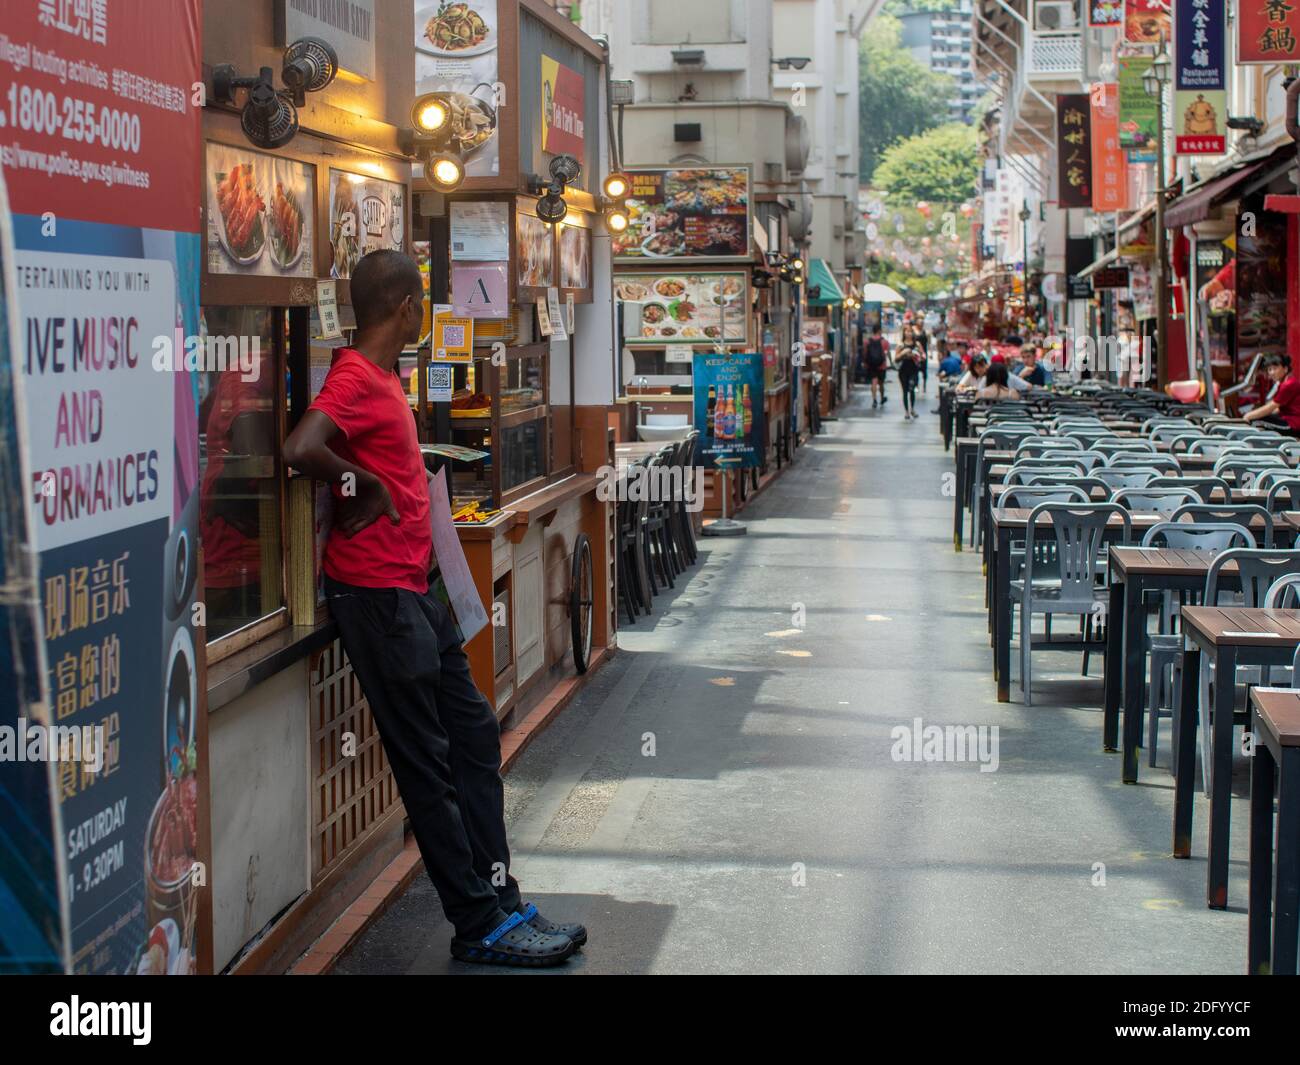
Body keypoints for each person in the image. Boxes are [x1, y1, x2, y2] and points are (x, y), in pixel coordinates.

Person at [283, 250, 585, 967]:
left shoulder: (388, 377)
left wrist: (398, 478)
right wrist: (366, 485)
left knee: (476, 734)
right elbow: (302, 446)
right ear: (406, 306)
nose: (425, 313)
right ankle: (479, 922)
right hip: (379, 597)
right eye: (422, 302)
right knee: (428, 761)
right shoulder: (355, 374)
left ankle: (500, 894)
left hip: (418, 587)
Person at [1242, 353, 1300, 434]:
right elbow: (1277, 409)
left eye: (1275, 369)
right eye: (1269, 369)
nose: (1272, 372)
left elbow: (1272, 406)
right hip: (1288, 420)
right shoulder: (1284, 383)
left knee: (1256, 421)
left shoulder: (1288, 384)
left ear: (1285, 369)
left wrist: (1248, 416)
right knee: (1259, 417)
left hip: (1293, 424)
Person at [895, 326, 924, 419]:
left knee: (912, 388)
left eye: (911, 332)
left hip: (913, 369)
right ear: (904, 333)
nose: (909, 333)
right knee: (905, 391)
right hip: (903, 370)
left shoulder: (917, 344)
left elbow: (923, 355)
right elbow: (896, 358)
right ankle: (906, 411)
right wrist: (903, 353)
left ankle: (912, 409)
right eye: (907, 331)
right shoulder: (901, 345)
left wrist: (917, 355)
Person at [863, 326, 890, 408]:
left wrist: (865, 362)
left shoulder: (867, 341)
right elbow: (886, 353)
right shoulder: (884, 342)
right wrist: (890, 363)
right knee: (881, 383)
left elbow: (865, 353)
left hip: (871, 364)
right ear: (879, 331)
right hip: (881, 365)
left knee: (873, 381)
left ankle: (874, 400)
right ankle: (882, 398)